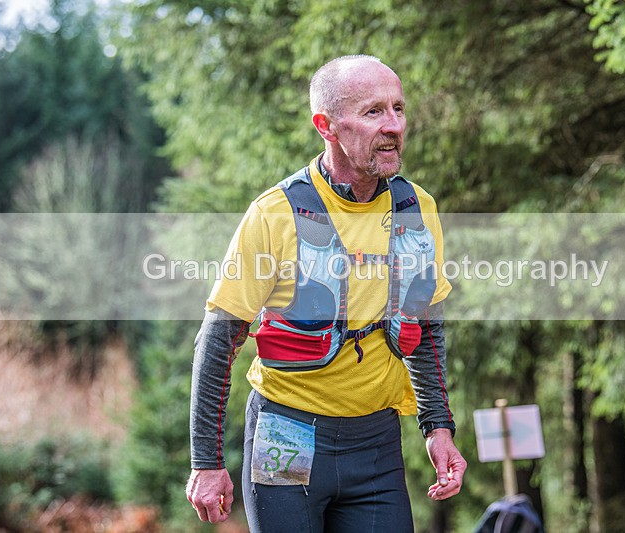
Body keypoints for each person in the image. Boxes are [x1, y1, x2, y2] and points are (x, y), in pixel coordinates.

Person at [185, 54, 467, 532]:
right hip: (287, 433)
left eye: (398, 108)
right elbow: (218, 339)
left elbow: (424, 326)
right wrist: (206, 462)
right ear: (327, 126)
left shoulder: (418, 209)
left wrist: (438, 427)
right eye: (373, 111)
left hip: (376, 443)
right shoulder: (274, 214)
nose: (394, 125)